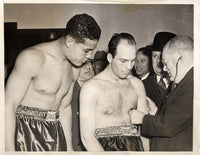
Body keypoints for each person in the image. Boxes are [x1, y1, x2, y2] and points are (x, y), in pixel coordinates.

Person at [5, 13, 101, 151]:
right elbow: (8, 106)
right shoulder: (32, 58)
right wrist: (9, 150)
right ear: (69, 41)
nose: (89, 56)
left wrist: (69, 149)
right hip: (25, 133)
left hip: (54, 133)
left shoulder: (75, 67)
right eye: (87, 50)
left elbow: (65, 108)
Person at [80, 33, 148, 151]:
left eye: (133, 61)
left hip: (135, 147)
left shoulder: (137, 85)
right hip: (104, 148)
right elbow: (87, 137)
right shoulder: (91, 87)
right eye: (123, 61)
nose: (129, 66)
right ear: (110, 58)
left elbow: (144, 131)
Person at [129, 36, 193, 151]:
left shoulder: (193, 82)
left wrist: (142, 119)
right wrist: (156, 113)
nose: (164, 68)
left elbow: (168, 126)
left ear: (180, 56)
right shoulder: (185, 81)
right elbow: (178, 118)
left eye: (165, 62)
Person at [145, 32, 176, 109]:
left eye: (162, 57)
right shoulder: (143, 85)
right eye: (154, 56)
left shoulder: (181, 82)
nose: (158, 61)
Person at [71, 61, 94, 151]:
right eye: (82, 64)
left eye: (89, 63)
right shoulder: (68, 94)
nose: (88, 67)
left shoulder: (99, 88)